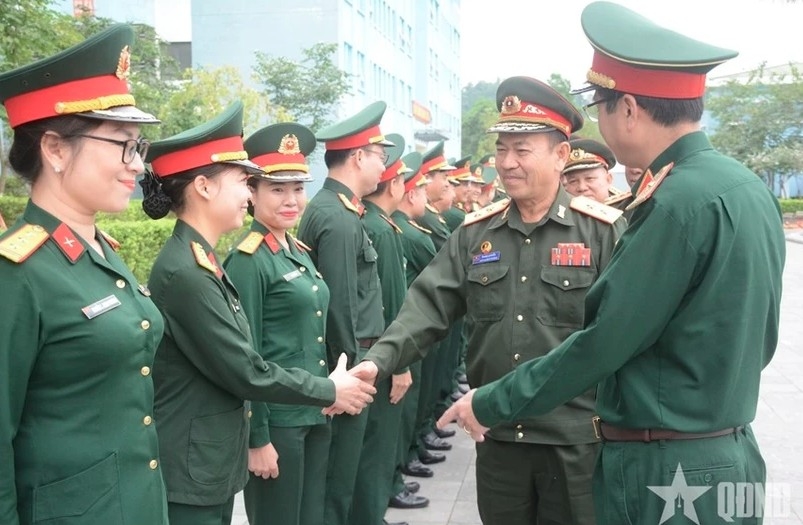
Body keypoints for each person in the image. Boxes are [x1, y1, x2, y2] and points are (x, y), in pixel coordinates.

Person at [438, 3, 786, 525]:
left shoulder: (675, 203)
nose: (599, 124)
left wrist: (490, 402)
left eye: (599, 108)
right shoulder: (745, 188)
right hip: (730, 452)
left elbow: (604, 343)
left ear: (627, 108)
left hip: (667, 470)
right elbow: (761, 340)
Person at [354, 76, 627, 525]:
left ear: (561, 155)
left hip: (575, 442)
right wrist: (379, 361)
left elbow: (620, 334)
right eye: (502, 150)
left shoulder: (602, 231)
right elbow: (427, 306)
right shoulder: (476, 232)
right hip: (498, 440)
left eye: (522, 150)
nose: (507, 163)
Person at [143, 102, 376, 525]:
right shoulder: (188, 271)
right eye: (243, 181)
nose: (247, 195)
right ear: (204, 187)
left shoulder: (201, 262)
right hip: (198, 459)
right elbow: (246, 368)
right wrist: (326, 391)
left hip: (217, 453)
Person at [0, 25, 169, 525]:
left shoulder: (101, 251)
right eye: (122, 145)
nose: (136, 165)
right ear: (55, 149)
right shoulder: (17, 273)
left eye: (138, 146)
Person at [220, 122, 331, 525]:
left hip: (314, 411)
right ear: (251, 192)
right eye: (277, 189)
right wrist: (258, 438)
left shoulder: (296, 250)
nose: (291, 200)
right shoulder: (248, 261)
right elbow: (246, 355)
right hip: (279, 423)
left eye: (298, 188)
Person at [295, 101, 396, 525]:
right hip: (346, 366)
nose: (383, 167)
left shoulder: (340, 210)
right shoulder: (337, 218)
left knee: (342, 477)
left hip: (350, 362)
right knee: (335, 483)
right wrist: (350, 376)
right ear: (358, 157)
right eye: (380, 156)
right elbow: (339, 306)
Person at [351, 133, 423, 524]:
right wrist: (400, 363)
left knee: (375, 443)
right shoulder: (380, 228)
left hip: (376, 350)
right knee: (376, 445)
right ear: (395, 185)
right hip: (382, 353)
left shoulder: (376, 224)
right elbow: (393, 303)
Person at [561, 137, 617, 203]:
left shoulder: (625, 208)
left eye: (589, 179)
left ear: (608, 179)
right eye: (573, 181)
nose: (582, 187)